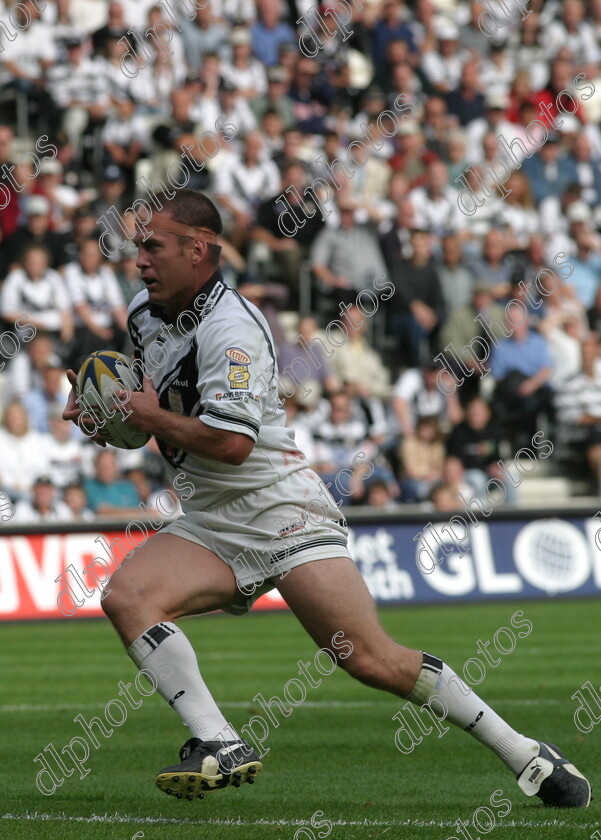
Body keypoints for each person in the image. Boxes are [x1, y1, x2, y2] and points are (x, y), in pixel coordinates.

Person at [62, 188, 591, 807]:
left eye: (153, 247)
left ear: (199, 250)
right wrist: (109, 416)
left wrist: (148, 416)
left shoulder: (235, 328)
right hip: (211, 518)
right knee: (127, 597)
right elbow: (162, 411)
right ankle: (220, 742)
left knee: (371, 660)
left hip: (283, 510)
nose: (140, 260)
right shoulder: (143, 313)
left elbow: (230, 445)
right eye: (137, 247)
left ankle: (525, 752)